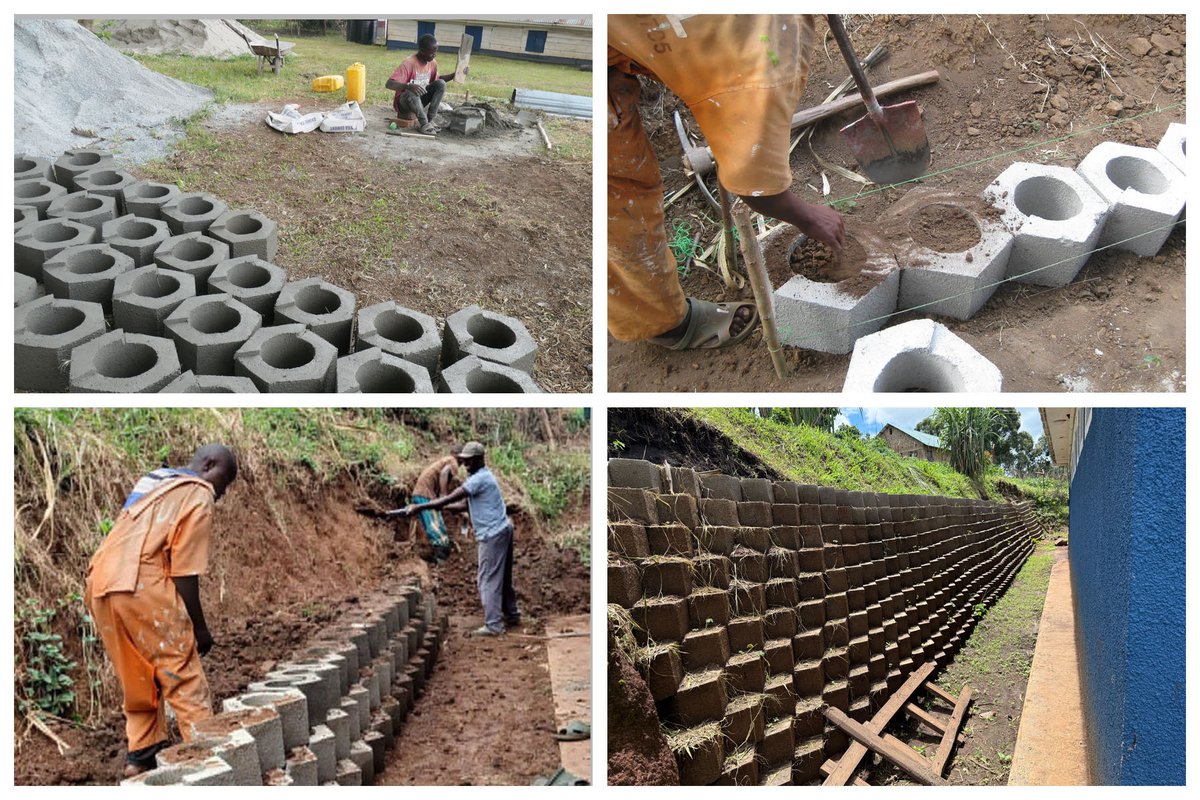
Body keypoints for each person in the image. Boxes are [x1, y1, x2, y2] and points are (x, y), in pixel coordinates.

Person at [608, 14, 846, 349]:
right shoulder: (759, 63)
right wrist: (806, 216)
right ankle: (664, 324)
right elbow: (755, 186)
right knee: (619, 203)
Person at [84, 444, 238, 777]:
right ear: (209, 465)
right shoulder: (197, 491)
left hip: (99, 583)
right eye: (222, 485)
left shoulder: (155, 481)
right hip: (140, 585)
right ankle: (207, 764)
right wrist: (199, 628)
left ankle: (140, 759)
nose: (220, 495)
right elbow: (184, 571)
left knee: (138, 677)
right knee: (181, 671)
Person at [393, 442, 518, 636]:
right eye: (464, 461)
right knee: (503, 577)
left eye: (469, 461)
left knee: (487, 579)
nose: (465, 464)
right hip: (503, 529)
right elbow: (463, 505)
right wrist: (439, 507)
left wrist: (421, 507)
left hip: (492, 534)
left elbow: (451, 498)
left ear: (479, 459)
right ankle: (512, 614)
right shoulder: (483, 477)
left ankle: (494, 625)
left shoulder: (478, 480)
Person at [385, 33, 465, 134]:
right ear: (422, 51)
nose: (434, 55)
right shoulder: (409, 63)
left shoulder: (432, 63)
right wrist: (408, 86)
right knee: (412, 92)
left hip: (419, 100)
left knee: (441, 84)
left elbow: (438, 80)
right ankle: (424, 124)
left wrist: (455, 75)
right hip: (405, 102)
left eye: (436, 52)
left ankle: (430, 120)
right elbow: (389, 84)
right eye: (432, 53)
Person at [409, 449, 466, 564]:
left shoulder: (445, 460)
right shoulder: (453, 461)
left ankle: (438, 552)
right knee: (435, 526)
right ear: (460, 456)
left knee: (437, 523)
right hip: (425, 495)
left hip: (424, 494)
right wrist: (443, 495)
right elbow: (444, 473)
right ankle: (441, 556)